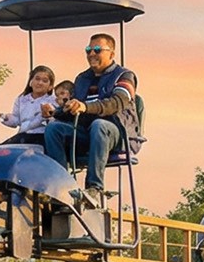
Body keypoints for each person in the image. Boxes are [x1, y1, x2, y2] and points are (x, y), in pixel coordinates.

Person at [42, 32, 139, 206]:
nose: (91, 54)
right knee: (53, 129)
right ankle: (63, 187)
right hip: (86, 132)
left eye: (97, 49)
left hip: (116, 133)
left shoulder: (124, 76)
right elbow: (75, 108)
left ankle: (94, 188)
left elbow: (115, 103)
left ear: (111, 53)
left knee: (99, 124)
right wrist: (55, 112)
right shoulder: (82, 79)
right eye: (88, 50)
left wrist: (86, 107)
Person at [0, 65, 57, 141]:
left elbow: (54, 122)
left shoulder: (53, 101)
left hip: (42, 136)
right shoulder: (21, 99)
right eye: (37, 79)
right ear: (31, 82)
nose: (40, 83)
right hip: (23, 135)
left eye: (44, 81)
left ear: (50, 87)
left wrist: (48, 116)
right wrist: (4, 117)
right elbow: (17, 120)